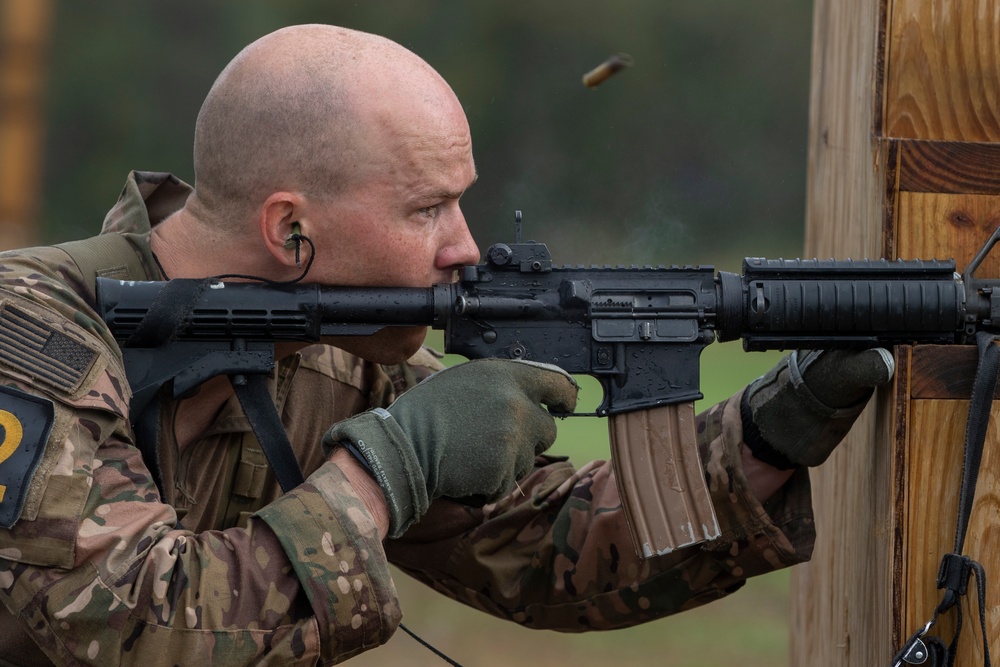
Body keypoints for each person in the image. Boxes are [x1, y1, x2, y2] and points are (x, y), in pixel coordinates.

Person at [0, 24, 893, 665]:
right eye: (427, 208)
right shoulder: (27, 332)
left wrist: (774, 429)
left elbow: (542, 549)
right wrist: (386, 469)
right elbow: (122, 625)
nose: (463, 245)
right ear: (290, 229)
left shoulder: (334, 354)